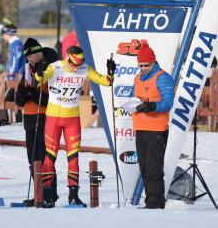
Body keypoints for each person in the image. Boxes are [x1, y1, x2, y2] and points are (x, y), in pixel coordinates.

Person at [33, 45, 116, 208]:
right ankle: (47, 193)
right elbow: (37, 82)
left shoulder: (85, 68)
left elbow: (106, 82)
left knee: (73, 157)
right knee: (50, 156)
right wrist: (39, 71)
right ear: (68, 58)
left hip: (72, 118)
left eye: (79, 65)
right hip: (54, 118)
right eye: (73, 65)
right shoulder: (55, 67)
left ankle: (73, 195)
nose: (76, 68)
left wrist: (111, 72)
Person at [15, 38, 58, 207]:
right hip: (29, 120)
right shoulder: (27, 71)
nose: (29, 60)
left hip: (45, 118)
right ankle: (39, 193)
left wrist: (32, 94)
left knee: (45, 158)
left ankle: (50, 193)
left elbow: (51, 99)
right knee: (32, 159)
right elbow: (19, 100)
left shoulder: (50, 69)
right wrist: (22, 95)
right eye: (28, 57)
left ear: (38, 53)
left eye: (31, 56)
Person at [131, 43, 174, 209]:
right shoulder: (137, 77)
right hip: (140, 127)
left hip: (156, 128)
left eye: (146, 65)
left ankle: (155, 203)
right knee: (143, 167)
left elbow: (168, 102)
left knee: (153, 167)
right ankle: (150, 201)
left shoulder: (163, 77)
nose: (143, 68)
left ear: (153, 61)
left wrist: (151, 106)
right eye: (140, 65)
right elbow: (135, 98)